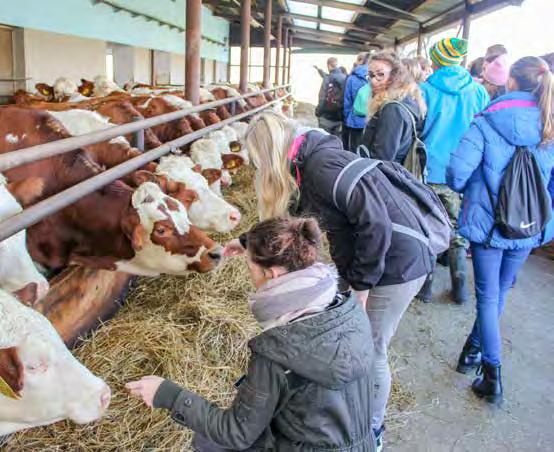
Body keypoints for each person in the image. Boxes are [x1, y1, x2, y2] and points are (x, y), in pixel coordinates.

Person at [236, 111, 434, 450]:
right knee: (354, 341)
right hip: (375, 257)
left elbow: (378, 225)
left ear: (268, 152)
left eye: (257, 162)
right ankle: (349, 414)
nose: (258, 171)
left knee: (370, 349)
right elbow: (293, 227)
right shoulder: (305, 162)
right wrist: (244, 243)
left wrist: (361, 285)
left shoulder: (322, 167)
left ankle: (371, 431)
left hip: (395, 262)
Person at [127, 217, 376, 451]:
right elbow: (289, 233)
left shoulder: (278, 351)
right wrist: (249, 243)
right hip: (359, 444)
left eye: (251, 267)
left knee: (210, 443)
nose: (250, 275)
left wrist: (169, 395)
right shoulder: (349, 308)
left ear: (273, 275)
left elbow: (236, 431)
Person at [446, 56, 554, 404]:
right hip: (529, 228)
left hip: (488, 223)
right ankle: (472, 351)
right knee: (501, 291)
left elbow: (456, 174)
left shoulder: (487, 120)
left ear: (510, 82)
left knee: (489, 296)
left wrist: (474, 188)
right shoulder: (550, 124)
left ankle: (491, 375)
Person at [419, 37, 490, 304]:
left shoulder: (425, 90)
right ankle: (459, 288)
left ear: (436, 60)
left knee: (428, 227)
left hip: (431, 171)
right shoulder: (479, 92)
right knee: (458, 230)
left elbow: (417, 128)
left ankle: (424, 289)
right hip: (465, 172)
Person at [361, 52, 426, 164]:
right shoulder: (405, 100)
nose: (373, 80)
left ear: (396, 76)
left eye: (380, 74)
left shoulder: (392, 109)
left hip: (380, 177)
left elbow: (382, 160)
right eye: (371, 75)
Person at [343, 52, 370, 152]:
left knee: (354, 147)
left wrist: (346, 118)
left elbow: (347, 101)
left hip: (355, 119)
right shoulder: (376, 76)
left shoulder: (351, 78)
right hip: (371, 120)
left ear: (360, 61)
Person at [314, 57, 347, 137]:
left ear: (328, 65)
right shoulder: (345, 78)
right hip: (339, 117)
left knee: (324, 141)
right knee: (335, 141)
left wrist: (318, 112)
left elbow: (322, 97)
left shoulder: (328, 78)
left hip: (326, 117)